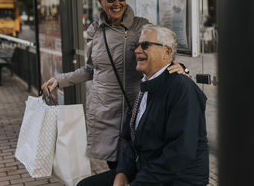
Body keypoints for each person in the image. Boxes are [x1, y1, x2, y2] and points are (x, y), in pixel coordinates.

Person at [41, 0, 186, 168]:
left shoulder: (141, 26)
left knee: (137, 163)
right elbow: (92, 69)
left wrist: (180, 68)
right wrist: (60, 80)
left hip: (133, 106)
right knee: (114, 165)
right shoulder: (95, 30)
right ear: (100, 0)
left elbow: (161, 56)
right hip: (104, 109)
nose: (117, 3)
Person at [77, 25, 209, 186]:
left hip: (176, 180)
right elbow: (133, 140)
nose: (138, 50)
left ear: (167, 52)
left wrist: (139, 183)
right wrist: (122, 172)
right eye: (137, 45)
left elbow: (180, 153)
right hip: (147, 172)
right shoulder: (147, 85)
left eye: (145, 45)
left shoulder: (182, 89)